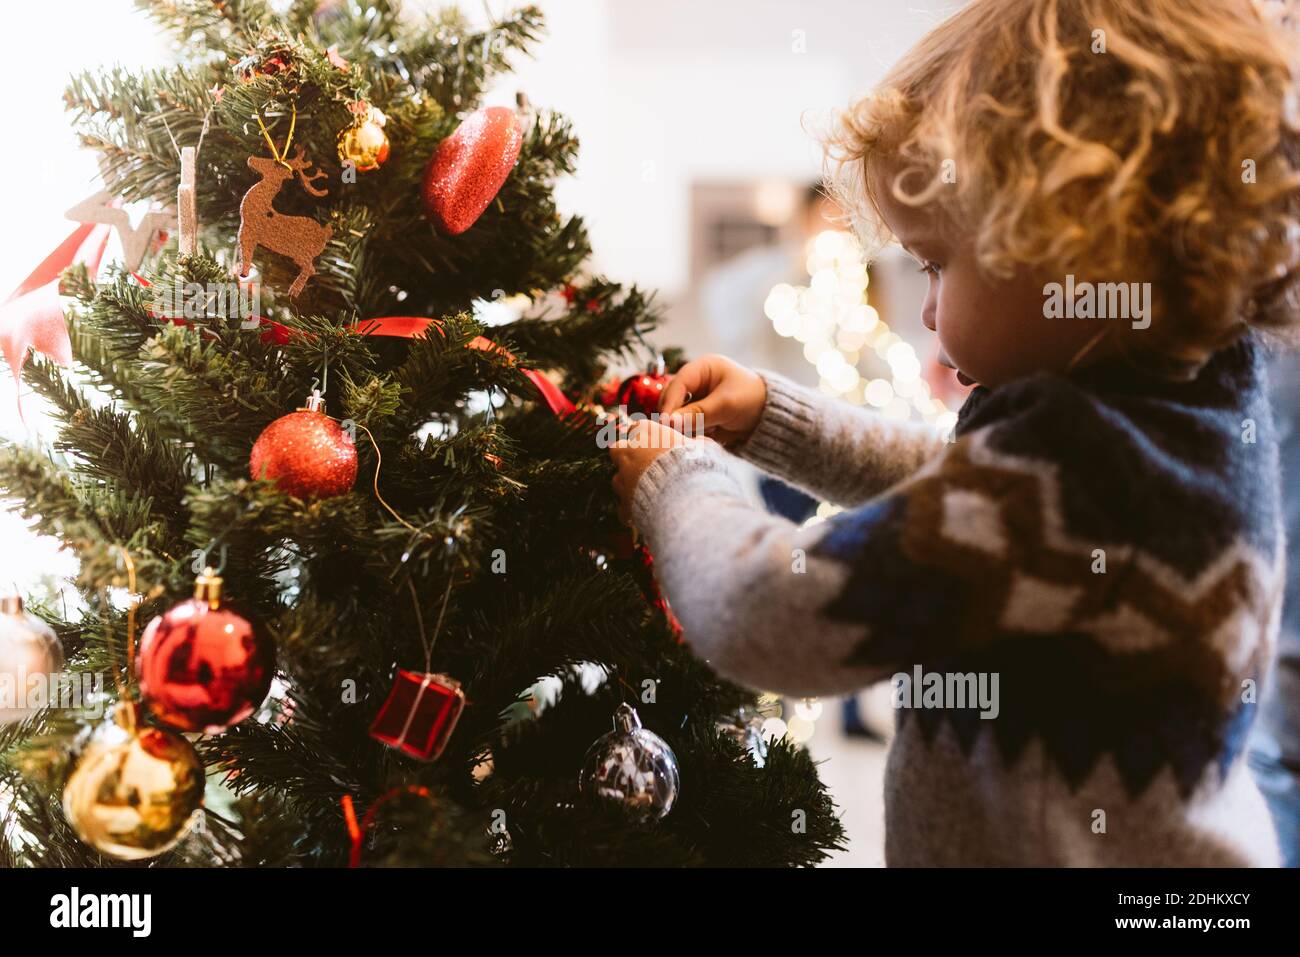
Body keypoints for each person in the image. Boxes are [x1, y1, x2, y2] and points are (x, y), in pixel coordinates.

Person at [610, 0, 1299, 865]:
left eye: (937, 263)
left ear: (1073, 237)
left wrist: (676, 482)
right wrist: (779, 418)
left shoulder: (1077, 469)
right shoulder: (1173, 408)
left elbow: (770, 615)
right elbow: (958, 480)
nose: (927, 306)